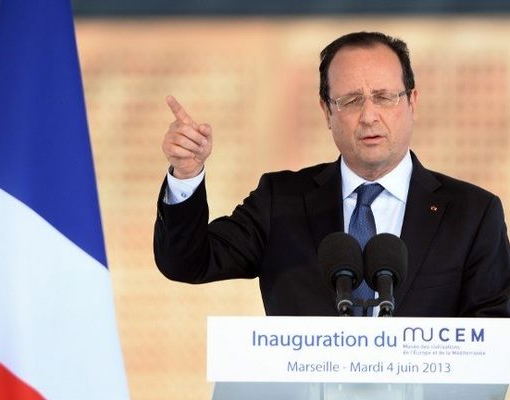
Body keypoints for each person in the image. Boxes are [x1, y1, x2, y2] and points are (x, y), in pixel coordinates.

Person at [153, 31, 510, 317]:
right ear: (326, 111)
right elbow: (188, 262)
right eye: (351, 101)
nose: (369, 116)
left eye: (385, 97)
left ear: (412, 102)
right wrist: (186, 173)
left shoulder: (472, 214)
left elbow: (495, 342)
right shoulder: (281, 202)